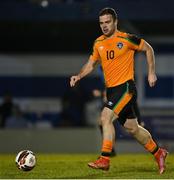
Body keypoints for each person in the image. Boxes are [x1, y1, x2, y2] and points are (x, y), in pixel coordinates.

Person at [70, 7, 168, 174]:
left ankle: (105, 159)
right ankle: (159, 153)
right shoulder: (99, 42)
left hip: (126, 88)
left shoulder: (126, 39)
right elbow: (91, 63)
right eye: (101, 23)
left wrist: (151, 73)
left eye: (108, 22)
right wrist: (79, 76)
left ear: (115, 22)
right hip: (112, 91)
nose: (104, 26)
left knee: (105, 117)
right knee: (133, 128)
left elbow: (148, 49)